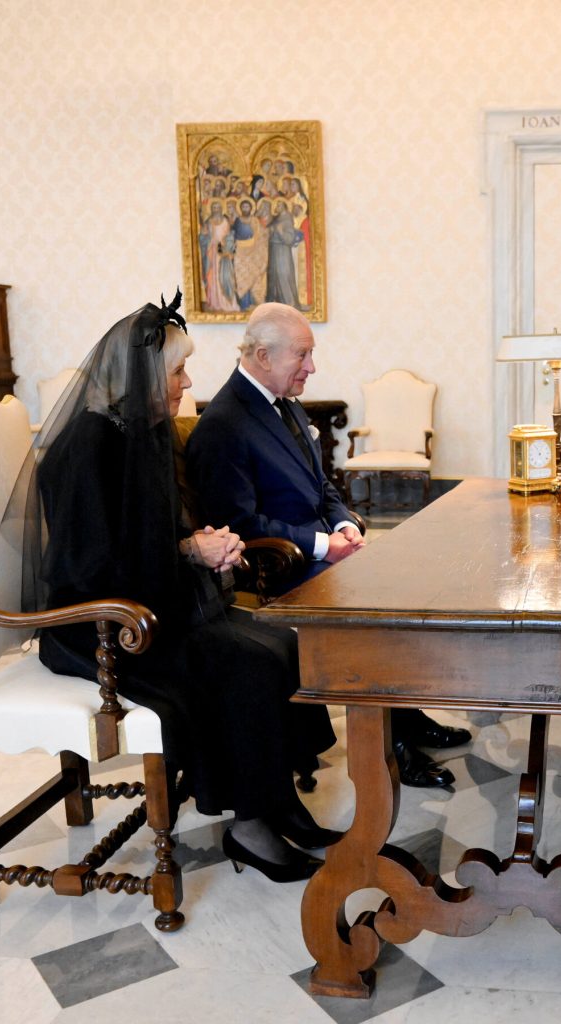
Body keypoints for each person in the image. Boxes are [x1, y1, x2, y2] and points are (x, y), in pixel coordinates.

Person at [11, 292, 339, 883]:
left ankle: (280, 799)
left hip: (154, 604)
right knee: (247, 663)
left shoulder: (145, 431)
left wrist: (203, 543)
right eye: (178, 372)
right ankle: (251, 826)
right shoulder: (85, 447)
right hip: (100, 626)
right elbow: (90, 568)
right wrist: (190, 550)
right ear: (138, 378)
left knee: (283, 642)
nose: (188, 384)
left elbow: (157, 535)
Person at [186, 302, 470, 787]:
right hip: (276, 566)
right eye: (303, 355)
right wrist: (322, 545)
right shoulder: (224, 424)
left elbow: (325, 487)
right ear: (261, 354)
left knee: (406, 582)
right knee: (375, 606)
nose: (312, 368)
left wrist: (345, 524)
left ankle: (407, 716)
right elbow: (236, 523)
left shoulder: (287, 404)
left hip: (317, 551)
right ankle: (393, 746)